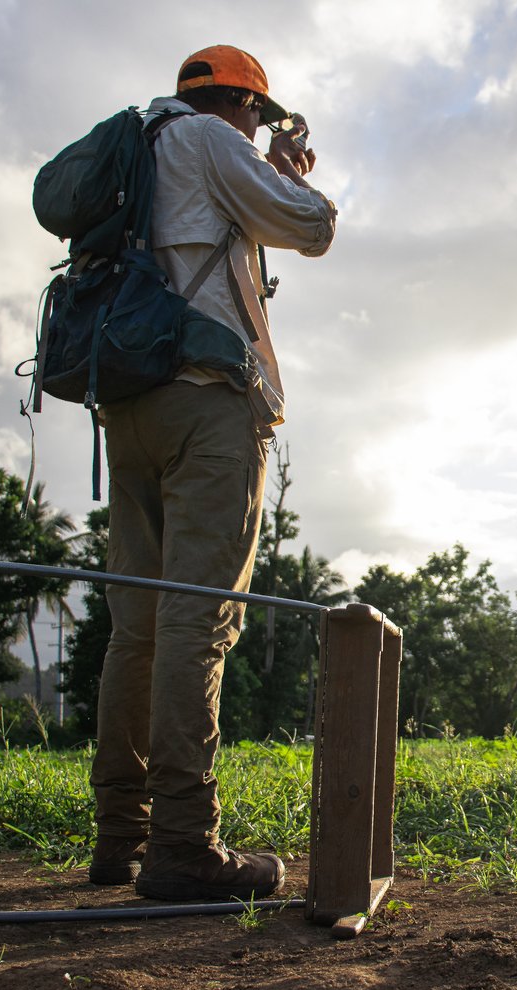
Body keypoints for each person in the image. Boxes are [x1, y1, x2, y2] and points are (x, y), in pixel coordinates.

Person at [87, 45, 337, 901]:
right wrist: (289, 174)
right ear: (245, 106)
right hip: (208, 400)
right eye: (260, 116)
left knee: (138, 626)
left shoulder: (140, 143)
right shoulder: (211, 138)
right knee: (201, 622)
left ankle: (120, 834)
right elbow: (312, 232)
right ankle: (186, 844)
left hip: (126, 402)